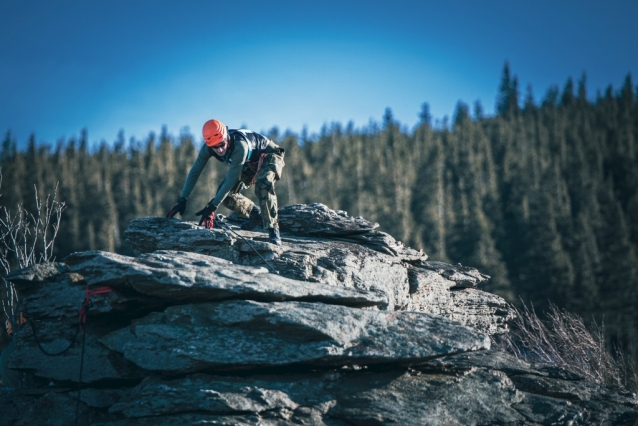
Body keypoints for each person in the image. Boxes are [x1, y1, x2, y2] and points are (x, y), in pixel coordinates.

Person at [167, 119, 285, 245]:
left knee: (263, 183)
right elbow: (195, 171)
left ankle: (273, 229)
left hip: (271, 156)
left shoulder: (240, 146)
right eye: (214, 147)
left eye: (222, 144)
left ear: (226, 137)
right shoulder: (209, 148)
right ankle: (255, 214)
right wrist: (183, 198)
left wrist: (212, 206)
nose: (219, 150)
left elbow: (231, 179)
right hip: (249, 163)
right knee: (225, 195)